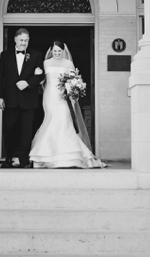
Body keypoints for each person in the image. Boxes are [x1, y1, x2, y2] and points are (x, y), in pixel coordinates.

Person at [29, 40, 106, 169]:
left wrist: (74, 89)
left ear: (63, 51)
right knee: (51, 119)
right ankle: (46, 156)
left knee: (64, 120)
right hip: (49, 96)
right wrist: (37, 74)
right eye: (55, 51)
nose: (57, 53)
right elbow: (41, 80)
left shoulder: (68, 63)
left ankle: (67, 156)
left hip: (63, 97)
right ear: (51, 51)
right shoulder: (45, 63)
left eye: (59, 51)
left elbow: (74, 78)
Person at [0, 27, 43, 169]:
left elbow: (41, 75)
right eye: (21, 40)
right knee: (9, 130)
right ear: (15, 39)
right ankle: (9, 158)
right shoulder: (5, 55)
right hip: (9, 100)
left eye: (26, 41)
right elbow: (0, 77)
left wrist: (28, 83)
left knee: (26, 131)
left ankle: (24, 159)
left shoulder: (36, 55)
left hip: (28, 100)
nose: (23, 43)